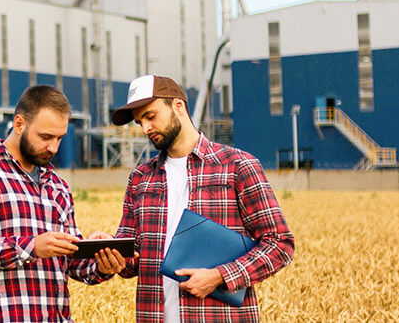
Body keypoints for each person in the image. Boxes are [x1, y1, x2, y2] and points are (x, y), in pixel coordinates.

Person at [109, 75, 294, 322]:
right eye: (140, 122)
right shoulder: (140, 178)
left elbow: (280, 245)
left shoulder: (237, 166)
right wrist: (109, 251)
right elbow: (131, 260)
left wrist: (220, 276)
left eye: (150, 116)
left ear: (178, 106)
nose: (145, 129)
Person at [0, 85, 129, 322]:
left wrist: (100, 262)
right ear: (19, 124)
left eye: (59, 138)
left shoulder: (58, 186)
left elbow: (71, 263)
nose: (53, 147)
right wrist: (30, 247)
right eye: (45, 137)